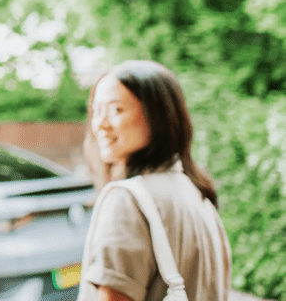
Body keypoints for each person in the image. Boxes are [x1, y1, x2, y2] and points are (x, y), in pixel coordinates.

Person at [76, 60, 232, 301]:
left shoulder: (126, 201)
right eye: (97, 111)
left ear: (159, 116)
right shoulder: (196, 191)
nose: (101, 124)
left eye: (116, 110)